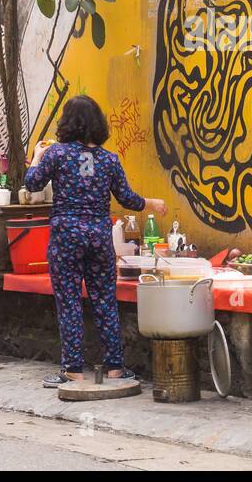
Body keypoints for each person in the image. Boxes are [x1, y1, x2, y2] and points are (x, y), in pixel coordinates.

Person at [25, 95, 166, 387]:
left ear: (67, 123)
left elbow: (33, 184)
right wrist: (151, 202)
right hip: (100, 235)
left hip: (66, 236)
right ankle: (115, 367)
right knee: (104, 299)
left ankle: (73, 369)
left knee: (70, 301)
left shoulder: (57, 154)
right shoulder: (108, 159)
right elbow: (127, 198)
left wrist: (36, 156)